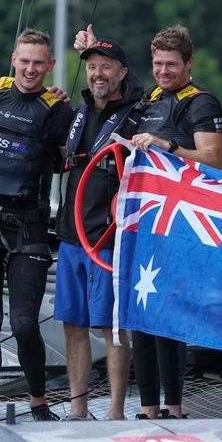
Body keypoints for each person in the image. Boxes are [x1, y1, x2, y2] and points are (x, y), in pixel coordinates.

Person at [0, 28, 74, 422]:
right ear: (13, 59)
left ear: (51, 66)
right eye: (24, 61)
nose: (30, 69)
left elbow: (72, 155)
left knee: (24, 322)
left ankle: (39, 401)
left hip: (26, 225)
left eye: (38, 63)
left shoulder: (58, 109)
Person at [130, 25, 222, 418]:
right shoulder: (148, 99)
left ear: (189, 63)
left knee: (167, 315)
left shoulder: (201, 103)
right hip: (145, 221)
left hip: (181, 223)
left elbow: (214, 160)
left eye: (171, 64)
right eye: (157, 64)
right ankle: (148, 406)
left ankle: (174, 406)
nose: (164, 71)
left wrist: (169, 146)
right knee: (141, 313)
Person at [54, 34, 142, 420]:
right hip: (72, 236)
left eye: (106, 67)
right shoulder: (77, 111)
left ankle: (116, 412)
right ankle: (78, 410)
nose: (97, 74)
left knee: (112, 329)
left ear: (122, 72)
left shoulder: (138, 112)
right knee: (73, 324)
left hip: (108, 240)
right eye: (91, 67)